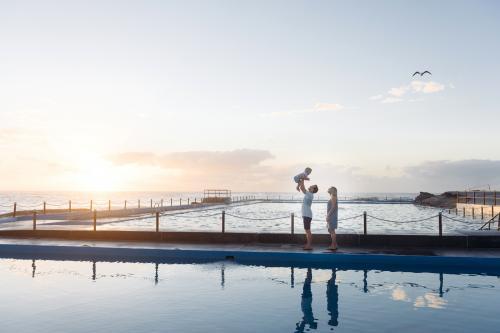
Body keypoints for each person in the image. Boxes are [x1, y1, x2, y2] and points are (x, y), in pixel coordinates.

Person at [299, 179, 318, 250]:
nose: (310, 186)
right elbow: (302, 188)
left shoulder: (310, 194)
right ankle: (308, 244)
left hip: (307, 215)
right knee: (307, 230)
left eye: (311, 186)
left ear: (313, 190)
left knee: (308, 230)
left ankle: (309, 245)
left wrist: (303, 179)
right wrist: (301, 180)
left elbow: (302, 188)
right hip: (306, 214)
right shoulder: (309, 194)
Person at [326, 186, 338, 251]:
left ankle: (333, 245)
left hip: (332, 216)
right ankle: (335, 244)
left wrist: (328, 215)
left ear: (332, 190)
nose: (328, 189)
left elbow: (333, 207)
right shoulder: (333, 196)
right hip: (332, 216)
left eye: (330, 188)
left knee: (332, 231)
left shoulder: (333, 197)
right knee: (330, 230)